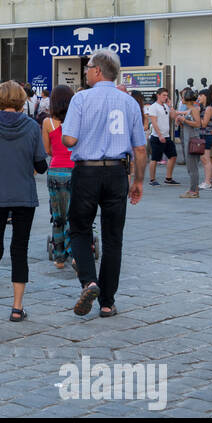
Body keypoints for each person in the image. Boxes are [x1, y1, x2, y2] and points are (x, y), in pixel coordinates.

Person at [61, 49, 148, 318]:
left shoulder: (81, 99)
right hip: (116, 172)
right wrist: (139, 180)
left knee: (79, 228)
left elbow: (70, 140)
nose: (85, 71)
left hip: (86, 171)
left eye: (87, 67)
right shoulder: (130, 102)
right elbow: (141, 149)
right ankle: (108, 302)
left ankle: (89, 281)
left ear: (98, 70)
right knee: (113, 238)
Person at [0, 81, 46, 323]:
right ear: (22, 100)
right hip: (23, 194)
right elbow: (40, 166)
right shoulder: (32, 127)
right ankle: (16, 307)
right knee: (19, 249)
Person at [42, 85, 75, 269]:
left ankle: (59, 257)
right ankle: (75, 252)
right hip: (75, 170)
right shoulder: (77, 120)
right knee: (74, 213)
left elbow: (47, 150)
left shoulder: (48, 123)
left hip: (55, 171)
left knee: (57, 215)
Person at [175, 89, 212, 198]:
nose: (181, 99)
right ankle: (194, 188)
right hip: (188, 139)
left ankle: (193, 191)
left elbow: (197, 124)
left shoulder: (194, 110)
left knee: (193, 167)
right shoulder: (189, 109)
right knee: (190, 167)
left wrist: (184, 120)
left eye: (182, 97)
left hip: (193, 140)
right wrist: (181, 121)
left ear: (186, 99)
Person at [145, 89, 179, 186]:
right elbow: (154, 122)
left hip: (166, 136)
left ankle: (168, 178)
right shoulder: (153, 107)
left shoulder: (165, 106)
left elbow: (173, 117)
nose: (166, 97)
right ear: (158, 95)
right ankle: (152, 179)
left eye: (166, 95)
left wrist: (170, 106)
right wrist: (159, 135)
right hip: (157, 137)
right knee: (155, 158)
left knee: (173, 156)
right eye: (164, 95)